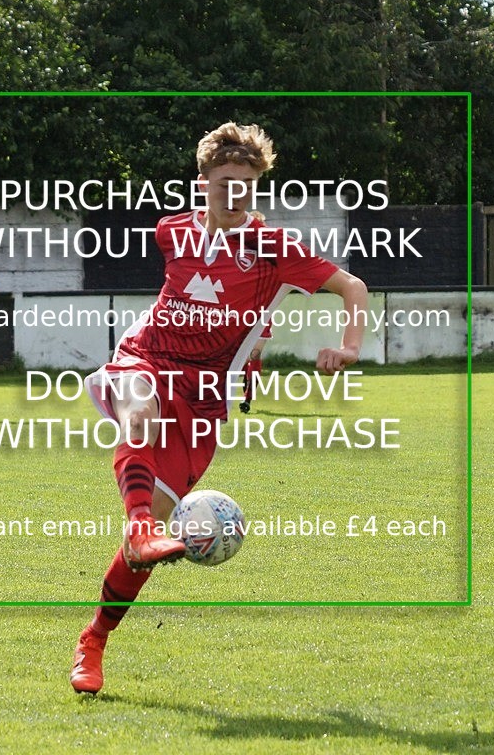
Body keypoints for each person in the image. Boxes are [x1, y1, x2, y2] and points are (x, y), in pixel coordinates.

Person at [70, 122, 368, 694]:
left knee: (149, 543)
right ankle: (137, 528)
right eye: (225, 183)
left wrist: (347, 347)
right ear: (202, 182)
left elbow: (352, 289)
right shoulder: (170, 231)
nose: (235, 196)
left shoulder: (276, 249)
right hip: (146, 358)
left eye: (247, 187)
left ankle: (94, 639)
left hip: (205, 399)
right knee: (139, 408)